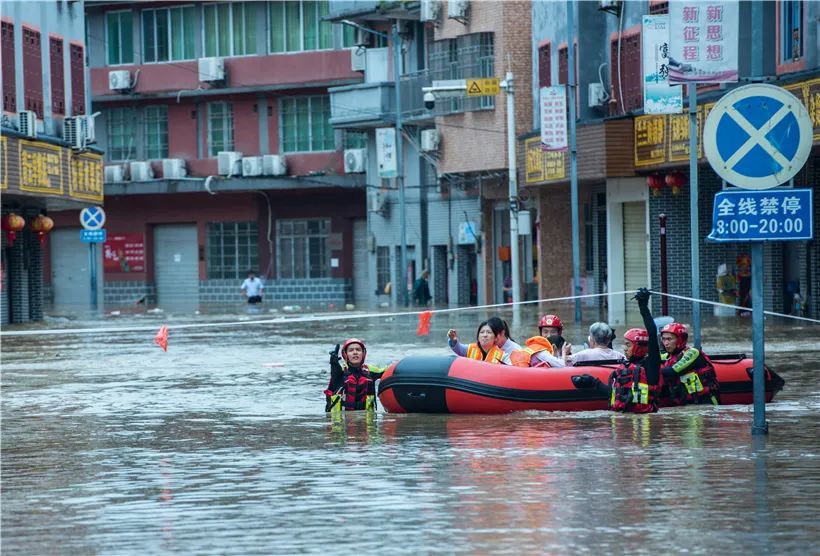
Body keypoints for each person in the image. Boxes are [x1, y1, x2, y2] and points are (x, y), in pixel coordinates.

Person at [573, 289, 661, 413]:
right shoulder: (625, 366)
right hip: (625, 423)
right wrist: (593, 382)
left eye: (628, 345)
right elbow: (613, 392)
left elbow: (652, 333)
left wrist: (643, 306)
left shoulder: (651, 365)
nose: (624, 348)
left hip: (644, 423)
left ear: (639, 346)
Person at [658, 323, 719, 406]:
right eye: (664, 339)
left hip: (705, 403)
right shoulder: (667, 356)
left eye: (669, 339)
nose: (666, 343)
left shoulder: (692, 353)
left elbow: (673, 371)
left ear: (680, 339)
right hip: (685, 404)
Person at [324, 339, 386, 413]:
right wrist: (334, 363)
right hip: (341, 421)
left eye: (358, 350)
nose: (355, 352)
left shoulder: (371, 371)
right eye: (351, 350)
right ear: (345, 354)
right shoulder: (339, 372)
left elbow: (389, 371)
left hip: (366, 421)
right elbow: (335, 373)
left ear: (363, 353)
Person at [448, 317, 520, 364]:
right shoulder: (471, 349)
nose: (485, 335)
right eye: (482, 332)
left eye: (489, 332)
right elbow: (459, 349)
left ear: (495, 338)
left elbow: (512, 371)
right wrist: (453, 340)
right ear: (478, 336)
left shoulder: (504, 355)